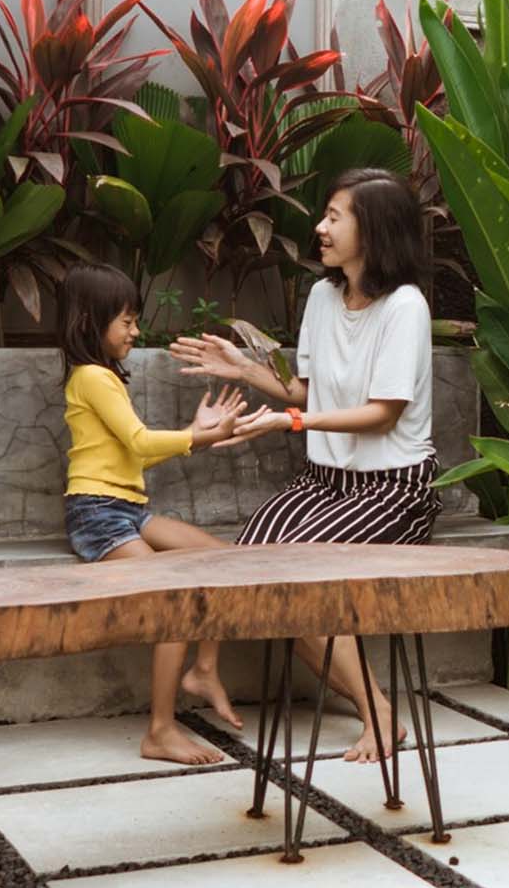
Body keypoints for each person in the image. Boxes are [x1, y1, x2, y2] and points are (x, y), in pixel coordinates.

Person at [172, 167, 443, 763]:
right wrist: (244, 367)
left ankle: (379, 715)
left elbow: (382, 415)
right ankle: (205, 670)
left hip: (392, 491)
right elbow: (305, 392)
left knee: (305, 586)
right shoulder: (324, 296)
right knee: (253, 565)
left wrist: (290, 424)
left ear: (374, 231)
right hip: (324, 483)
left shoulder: (406, 308)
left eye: (334, 217)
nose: (319, 228)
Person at [57, 262, 272, 766]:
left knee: (222, 560)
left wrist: (192, 432)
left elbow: (136, 453)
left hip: (125, 507)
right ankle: (160, 730)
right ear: (92, 320)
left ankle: (205, 669)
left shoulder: (100, 376)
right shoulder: (93, 376)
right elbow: (138, 440)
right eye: (127, 321)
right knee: (174, 601)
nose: (136, 331)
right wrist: (203, 435)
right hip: (97, 514)